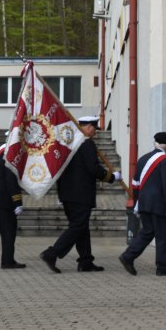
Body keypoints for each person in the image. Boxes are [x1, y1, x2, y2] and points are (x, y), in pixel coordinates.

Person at [40, 116, 121, 273]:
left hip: (67, 194)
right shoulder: (86, 143)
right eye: (93, 128)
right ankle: (52, 253)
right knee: (78, 226)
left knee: (81, 228)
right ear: (87, 127)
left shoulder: (67, 144)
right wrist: (112, 177)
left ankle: (85, 261)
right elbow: (93, 168)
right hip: (81, 194)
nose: (95, 132)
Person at [119, 132, 166, 277]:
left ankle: (128, 256)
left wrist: (137, 203)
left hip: (144, 203)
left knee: (147, 233)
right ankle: (162, 268)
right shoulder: (165, 160)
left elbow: (135, 184)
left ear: (155, 143)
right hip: (159, 205)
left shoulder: (143, 159)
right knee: (163, 237)